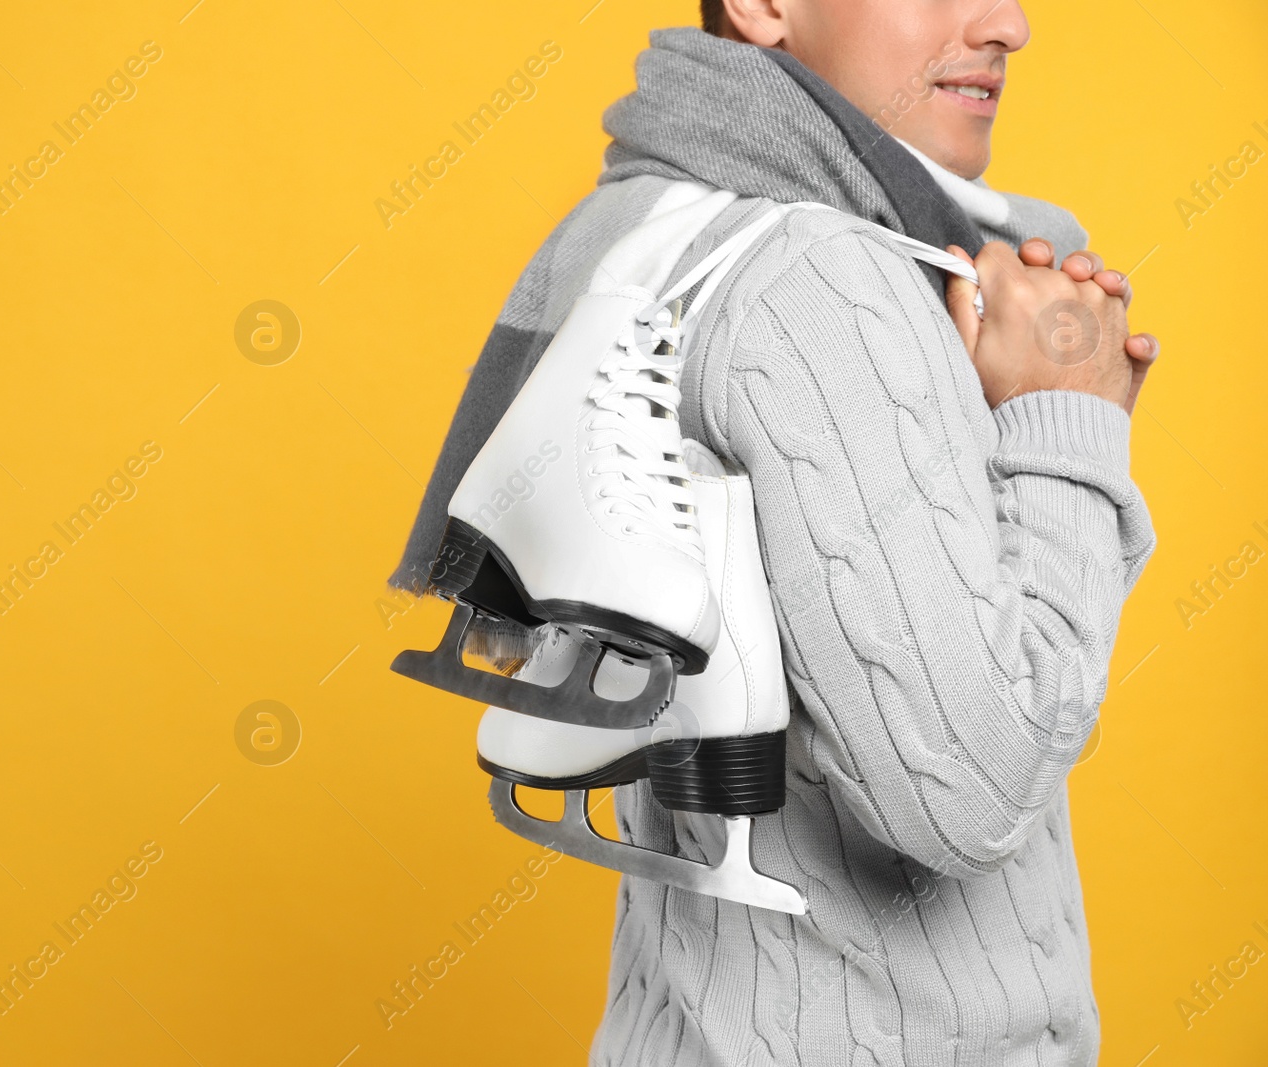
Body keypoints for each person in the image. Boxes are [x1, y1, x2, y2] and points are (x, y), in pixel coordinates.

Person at [391, 1, 1158, 1062]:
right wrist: (1068, 422)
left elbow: (975, 655)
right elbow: (972, 789)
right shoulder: (818, 276)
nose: (1007, 25)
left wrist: (1032, 431)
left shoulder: (668, 227)